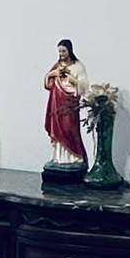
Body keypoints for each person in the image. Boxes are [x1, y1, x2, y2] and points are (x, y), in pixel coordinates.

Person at [43, 40, 89, 173]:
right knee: (57, 128)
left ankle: (74, 157)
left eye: (63, 51)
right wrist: (52, 74)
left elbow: (84, 86)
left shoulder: (78, 66)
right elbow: (48, 83)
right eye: (59, 51)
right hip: (56, 102)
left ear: (69, 50)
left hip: (69, 102)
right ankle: (58, 158)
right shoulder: (57, 65)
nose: (61, 54)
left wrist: (72, 80)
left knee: (69, 128)